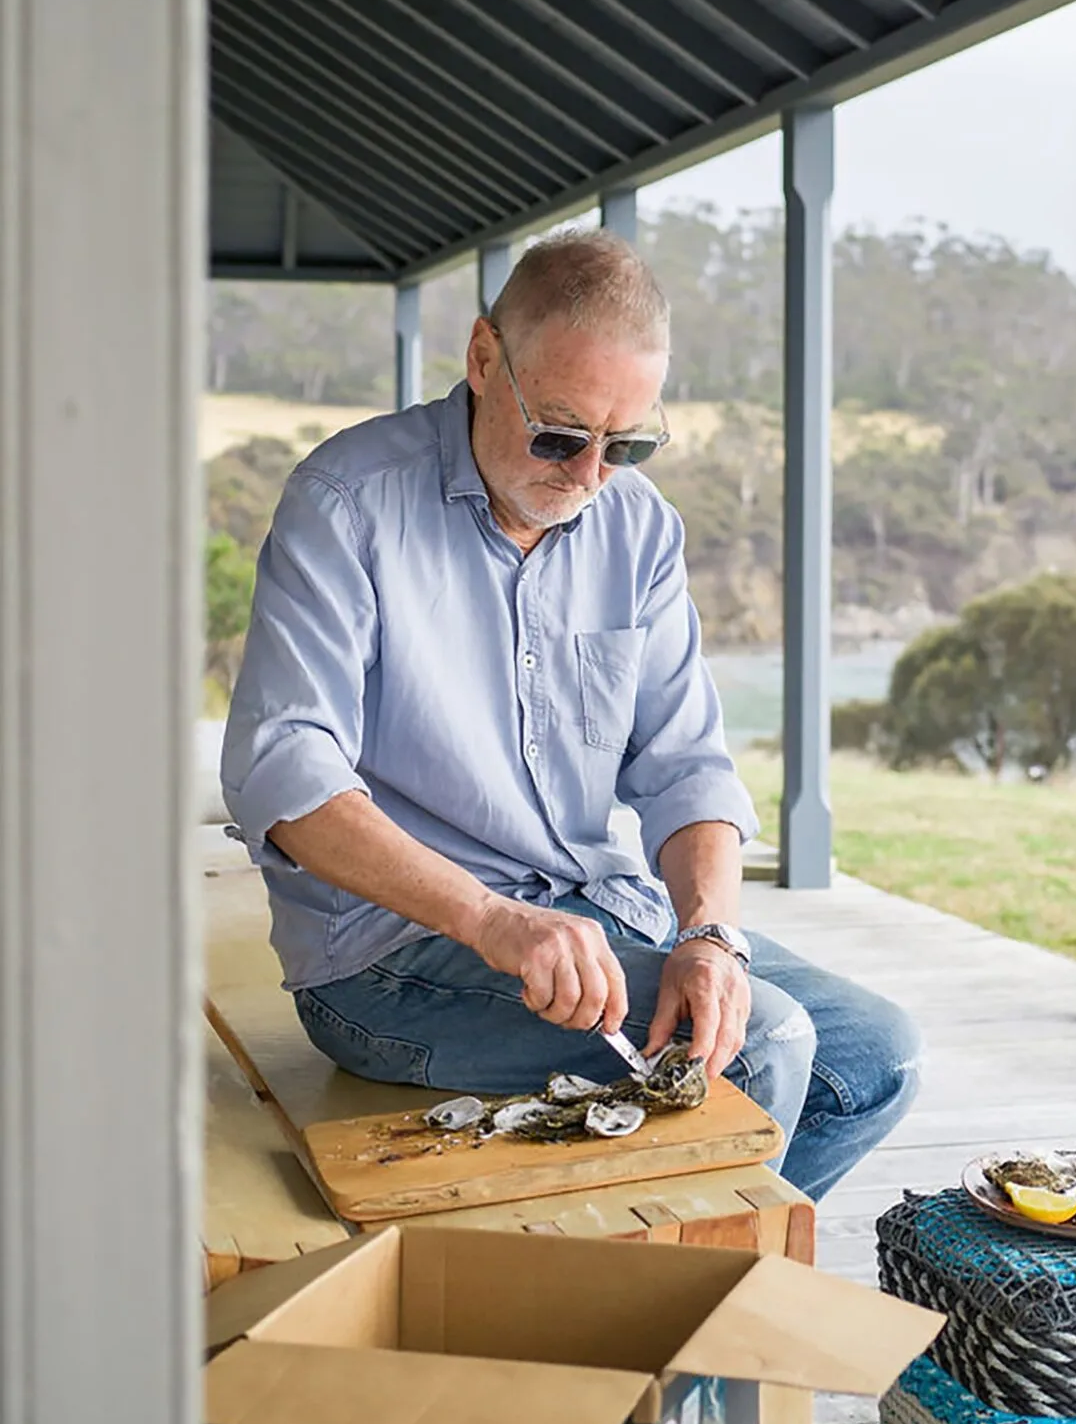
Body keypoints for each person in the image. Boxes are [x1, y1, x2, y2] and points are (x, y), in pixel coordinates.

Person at [221, 228, 920, 1200]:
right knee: (760, 1051)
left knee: (874, 1058)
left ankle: (657, 1311)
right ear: (480, 358)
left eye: (625, 444)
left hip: (600, 909)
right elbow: (284, 773)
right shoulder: (346, 503)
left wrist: (711, 936)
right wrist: (491, 919)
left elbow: (687, 770)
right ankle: (693, 1333)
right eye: (559, 432)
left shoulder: (638, 527)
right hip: (389, 959)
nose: (590, 472)